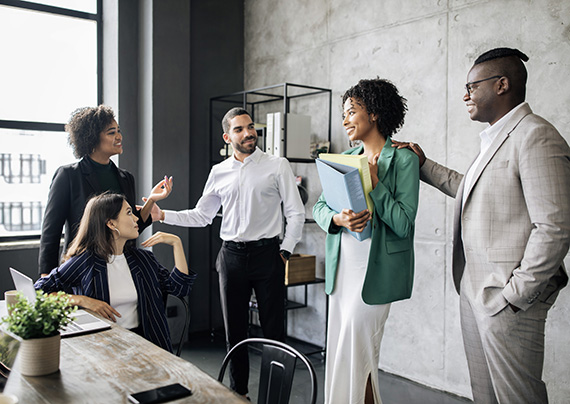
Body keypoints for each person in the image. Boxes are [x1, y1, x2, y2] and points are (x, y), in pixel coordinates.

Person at [393, 47, 570, 403]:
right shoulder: (494, 137)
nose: (465, 94)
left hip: (505, 300)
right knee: (485, 396)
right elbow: (474, 191)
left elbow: (555, 226)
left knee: (518, 398)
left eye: (472, 86)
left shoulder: (536, 136)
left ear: (502, 85)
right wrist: (424, 165)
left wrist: (514, 296)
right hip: (475, 291)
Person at [150, 107, 305, 396]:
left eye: (250, 127)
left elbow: (296, 213)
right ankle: (239, 395)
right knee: (235, 332)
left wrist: (284, 252)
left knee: (274, 333)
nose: (248, 133)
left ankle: (275, 398)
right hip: (231, 258)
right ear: (227, 136)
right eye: (239, 129)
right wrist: (162, 215)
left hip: (268, 255)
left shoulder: (277, 165)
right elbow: (201, 216)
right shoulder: (218, 172)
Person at [313, 78, 419, 404]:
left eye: (351, 112)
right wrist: (337, 218)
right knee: (343, 350)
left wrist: (375, 184)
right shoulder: (343, 157)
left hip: (377, 271)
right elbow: (319, 206)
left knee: (362, 352)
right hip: (343, 266)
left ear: (373, 113)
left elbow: (403, 222)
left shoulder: (404, 159)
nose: (345, 120)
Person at [34, 193, 197, 352]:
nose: (135, 218)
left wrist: (177, 244)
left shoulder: (144, 259)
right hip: (102, 348)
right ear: (111, 224)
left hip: (147, 346)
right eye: (129, 213)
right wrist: (83, 301)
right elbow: (38, 291)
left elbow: (179, 289)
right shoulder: (85, 261)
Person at [38, 105, 171, 276]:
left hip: (122, 266)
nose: (119, 137)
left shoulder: (126, 178)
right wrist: (46, 278)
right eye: (111, 132)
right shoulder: (68, 176)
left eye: (118, 131)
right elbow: (51, 232)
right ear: (92, 138)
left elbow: (132, 224)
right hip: (83, 268)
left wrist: (152, 199)